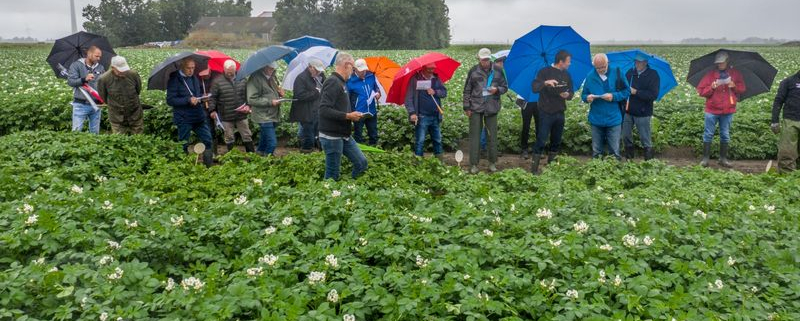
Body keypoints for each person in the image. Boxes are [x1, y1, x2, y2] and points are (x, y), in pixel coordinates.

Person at [318, 52, 368, 180]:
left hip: (344, 134)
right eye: (353, 68)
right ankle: (329, 196)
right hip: (331, 136)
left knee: (361, 162)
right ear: (346, 65)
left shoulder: (341, 82)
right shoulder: (332, 82)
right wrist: (348, 116)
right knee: (332, 174)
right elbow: (324, 109)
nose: (353, 72)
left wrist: (352, 115)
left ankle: (351, 188)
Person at [697, 51, 746, 167]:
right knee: (708, 134)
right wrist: (711, 87)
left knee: (725, 134)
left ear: (727, 61)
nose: (719, 65)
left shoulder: (735, 74)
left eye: (722, 63)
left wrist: (734, 86)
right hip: (711, 110)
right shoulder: (710, 75)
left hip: (728, 110)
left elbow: (742, 88)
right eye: (718, 63)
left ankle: (723, 159)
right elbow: (701, 91)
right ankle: (705, 159)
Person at [463, 48, 508, 174]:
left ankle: (492, 163)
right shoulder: (473, 70)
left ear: (490, 58)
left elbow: (505, 87)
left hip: (492, 107)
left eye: (487, 59)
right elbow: (467, 90)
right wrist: (466, 107)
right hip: (476, 107)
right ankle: (473, 164)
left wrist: (497, 89)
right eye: (483, 60)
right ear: (479, 59)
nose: (485, 62)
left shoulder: (498, 70)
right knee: (474, 137)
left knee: (492, 136)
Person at [530, 50, 574, 174]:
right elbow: (534, 87)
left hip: (560, 112)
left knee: (556, 141)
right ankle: (534, 171)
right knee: (541, 140)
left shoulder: (567, 75)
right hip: (546, 112)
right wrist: (545, 82)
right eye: (568, 62)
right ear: (561, 62)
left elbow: (571, 92)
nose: (569, 64)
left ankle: (551, 170)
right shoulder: (544, 72)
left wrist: (567, 95)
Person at [581, 53, 630, 161]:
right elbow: (583, 95)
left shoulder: (617, 72)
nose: (600, 70)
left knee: (614, 150)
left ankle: (614, 172)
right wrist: (587, 98)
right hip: (596, 118)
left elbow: (627, 91)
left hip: (613, 118)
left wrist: (613, 96)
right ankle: (597, 171)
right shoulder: (590, 76)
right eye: (597, 68)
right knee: (597, 151)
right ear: (594, 66)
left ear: (608, 63)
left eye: (603, 67)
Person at [166, 58, 214, 167]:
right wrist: (187, 100)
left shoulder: (194, 77)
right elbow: (170, 100)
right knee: (183, 144)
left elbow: (196, 95)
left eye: (193, 68)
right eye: (189, 68)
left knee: (208, 140)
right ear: (182, 66)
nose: (191, 70)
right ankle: (185, 167)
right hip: (184, 118)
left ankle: (209, 167)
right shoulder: (174, 79)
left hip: (198, 116)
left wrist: (203, 98)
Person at [404, 62, 448, 159]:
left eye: (433, 69)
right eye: (429, 69)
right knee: (420, 140)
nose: (431, 71)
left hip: (435, 115)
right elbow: (408, 98)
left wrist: (435, 92)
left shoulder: (436, 79)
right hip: (421, 116)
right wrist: (412, 112)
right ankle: (418, 161)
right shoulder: (415, 79)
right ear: (423, 68)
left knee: (438, 139)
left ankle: (439, 161)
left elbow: (444, 93)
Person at [209, 59, 253, 153]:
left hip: (241, 114)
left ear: (235, 69)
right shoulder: (217, 81)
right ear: (224, 69)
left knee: (246, 135)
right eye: (228, 72)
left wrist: (248, 106)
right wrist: (212, 110)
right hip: (226, 115)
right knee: (229, 137)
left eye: (231, 72)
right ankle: (232, 157)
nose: (230, 74)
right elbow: (213, 97)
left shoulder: (242, 79)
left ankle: (252, 156)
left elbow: (248, 94)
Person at [622, 54, 661, 160]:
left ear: (646, 62)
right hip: (628, 111)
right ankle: (629, 160)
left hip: (643, 112)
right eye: (636, 62)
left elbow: (653, 95)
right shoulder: (630, 73)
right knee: (625, 136)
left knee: (645, 138)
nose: (637, 64)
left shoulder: (653, 75)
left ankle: (649, 161)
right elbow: (623, 87)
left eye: (640, 62)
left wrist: (636, 92)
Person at [97, 55, 143, 135]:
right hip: (116, 115)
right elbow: (103, 97)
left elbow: (138, 90)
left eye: (124, 70)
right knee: (119, 139)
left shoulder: (133, 74)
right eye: (120, 70)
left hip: (134, 111)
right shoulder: (104, 79)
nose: (123, 72)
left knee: (139, 137)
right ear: (113, 67)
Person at [247, 61, 284, 156]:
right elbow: (252, 99)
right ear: (264, 67)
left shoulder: (271, 77)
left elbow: (270, 92)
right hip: (263, 115)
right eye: (270, 68)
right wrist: (270, 102)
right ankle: (266, 161)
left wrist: (279, 93)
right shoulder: (255, 78)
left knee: (264, 139)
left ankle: (259, 154)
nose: (272, 71)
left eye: (273, 69)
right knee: (272, 143)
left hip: (272, 114)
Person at [290, 58, 326, 153]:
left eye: (320, 70)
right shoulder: (301, 78)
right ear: (310, 67)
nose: (318, 72)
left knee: (318, 134)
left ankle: (317, 152)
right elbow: (299, 95)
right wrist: (316, 93)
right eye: (316, 70)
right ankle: (306, 152)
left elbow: (325, 89)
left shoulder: (321, 76)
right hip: (306, 112)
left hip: (318, 110)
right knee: (308, 135)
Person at [67, 45, 105, 134]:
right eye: (97, 56)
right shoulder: (76, 65)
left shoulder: (101, 67)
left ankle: (94, 147)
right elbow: (71, 82)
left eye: (100, 56)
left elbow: (103, 84)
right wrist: (84, 79)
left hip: (96, 105)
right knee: (76, 131)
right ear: (89, 53)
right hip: (81, 104)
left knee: (95, 132)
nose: (99, 58)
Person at [770, 69, 800, 172]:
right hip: (790, 120)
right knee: (787, 152)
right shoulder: (788, 82)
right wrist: (774, 120)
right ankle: (787, 177)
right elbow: (778, 101)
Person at [348, 58, 381, 146]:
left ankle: (373, 148)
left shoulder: (371, 76)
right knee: (358, 134)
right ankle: (359, 153)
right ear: (355, 69)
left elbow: (376, 88)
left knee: (373, 133)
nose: (363, 72)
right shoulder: (350, 81)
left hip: (371, 111)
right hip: (358, 113)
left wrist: (378, 93)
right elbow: (348, 98)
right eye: (361, 71)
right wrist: (350, 112)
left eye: (364, 70)